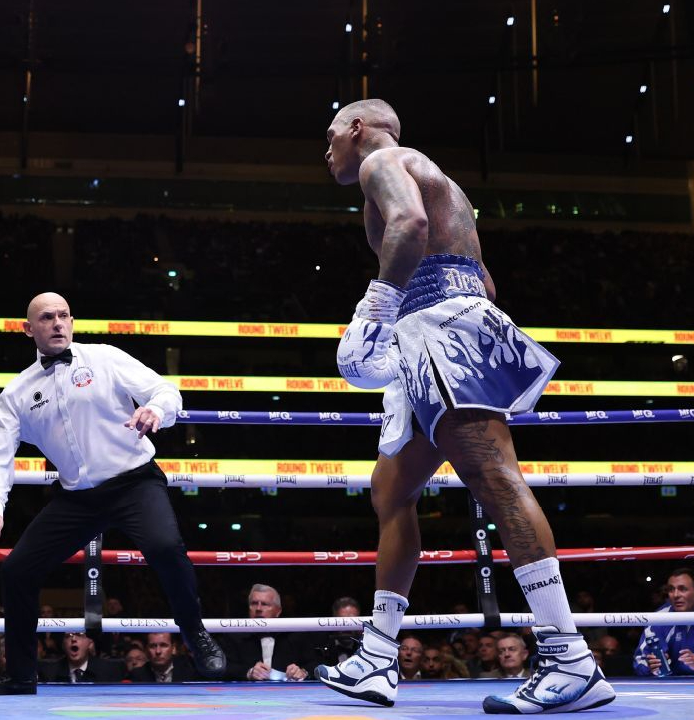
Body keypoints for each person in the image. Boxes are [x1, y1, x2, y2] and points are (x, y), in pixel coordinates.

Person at [313, 99, 614, 714]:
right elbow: (484, 279)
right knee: (391, 492)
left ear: (357, 129)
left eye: (330, 138)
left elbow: (410, 228)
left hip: (438, 329)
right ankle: (376, 657)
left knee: (494, 478)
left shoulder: (384, 161)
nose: (328, 152)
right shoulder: (435, 176)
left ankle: (569, 657)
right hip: (433, 328)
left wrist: (375, 309)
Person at [0, 292, 224, 695]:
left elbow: (166, 391)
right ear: (27, 329)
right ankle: (20, 675)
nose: (57, 323)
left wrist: (155, 410)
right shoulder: (16, 394)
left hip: (134, 481)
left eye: (63, 316)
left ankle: (194, 633)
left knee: (165, 545)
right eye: (47, 317)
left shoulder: (104, 358)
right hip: (77, 498)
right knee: (16, 570)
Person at [220, 584, 309, 681]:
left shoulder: (295, 636)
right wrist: (248, 672)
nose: (258, 608)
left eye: (264, 604)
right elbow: (221, 667)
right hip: (246, 694)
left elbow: (316, 663)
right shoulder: (234, 636)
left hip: (289, 694)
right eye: (254, 603)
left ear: (278, 611)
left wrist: (303, 672)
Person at [633, 567, 694, 676]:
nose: (675, 595)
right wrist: (649, 665)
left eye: (682, 589)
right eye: (671, 589)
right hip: (670, 686)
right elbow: (639, 660)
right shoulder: (659, 619)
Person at [39, 632, 123, 683]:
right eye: (68, 636)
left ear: (90, 643)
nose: (73, 639)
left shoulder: (108, 671)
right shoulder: (48, 673)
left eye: (80, 635)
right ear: (63, 645)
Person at [127, 632, 197, 683]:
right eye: (153, 646)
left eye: (163, 645)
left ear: (173, 648)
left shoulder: (189, 670)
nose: (158, 651)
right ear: (147, 650)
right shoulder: (137, 675)